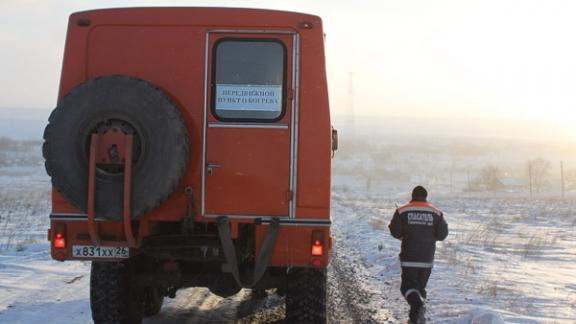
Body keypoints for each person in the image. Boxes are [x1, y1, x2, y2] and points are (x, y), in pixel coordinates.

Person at [389, 185, 448, 324]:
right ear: (425, 196)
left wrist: (404, 233)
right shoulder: (436, 213)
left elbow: (395, 232)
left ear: (412, 196)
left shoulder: (402, 211)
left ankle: (417, 308)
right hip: (427, 259)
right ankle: (415, 318)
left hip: (409, 257)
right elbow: (442, 234)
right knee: (419, 288)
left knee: (407, 288)